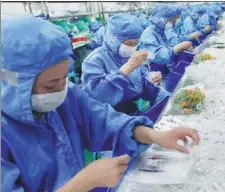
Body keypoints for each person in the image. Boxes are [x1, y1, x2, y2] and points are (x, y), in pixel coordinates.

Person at [1, 16, 201, 192]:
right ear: (14, 82)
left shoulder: (67, 95)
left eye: (65, 78)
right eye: (52, 83)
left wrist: (156, 135)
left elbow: (104, 120)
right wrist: (83, 182)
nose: (62, 88)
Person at [81, 13, 165, 115]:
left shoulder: (130, 56)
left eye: (136, 44)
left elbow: (144, 92)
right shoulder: (94, 61)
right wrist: (126, 69)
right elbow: (97, 96)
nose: (132, 48)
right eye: (129, 44)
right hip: (108, 118)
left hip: (131, 112)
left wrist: (152, 81)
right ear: (113, 39)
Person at [138, 4, 193, 75]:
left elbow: (170, 45)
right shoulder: (148, 34)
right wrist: (178, 47)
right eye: (170, 20)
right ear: (160, 19)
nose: (173, 23)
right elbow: (159, 56)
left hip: (165, 69)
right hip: (154, 72)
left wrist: (182, 48)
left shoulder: (163, 31)